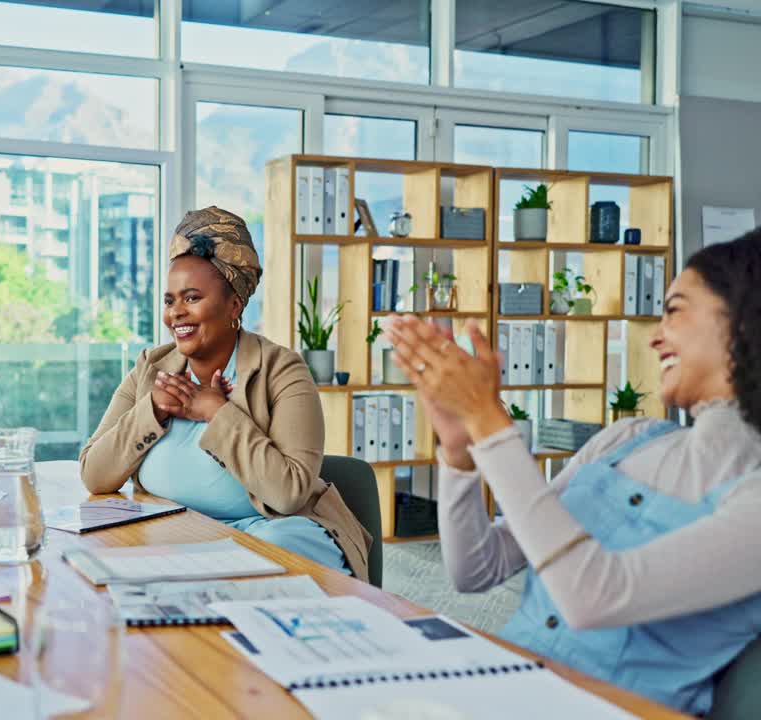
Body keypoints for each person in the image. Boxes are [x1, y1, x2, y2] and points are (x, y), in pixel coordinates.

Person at [386, 232, 761, 715]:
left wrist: (488, 421)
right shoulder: (627, 438)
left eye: (675, 310)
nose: (655, 335)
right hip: (496, 688)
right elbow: (476, 570)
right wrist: (460, 452)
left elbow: (596, 597)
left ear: (745, 323)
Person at [79, 207, 372, 580]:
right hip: (179, 539)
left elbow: (289, 494)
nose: (176, 314)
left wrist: (217, 414)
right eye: (170, 301)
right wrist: (151, 410)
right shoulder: (151, 368)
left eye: (192, 298)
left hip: (268, 534)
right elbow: (94, 474)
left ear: (234, 304)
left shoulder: (283, 371)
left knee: (268, 551)